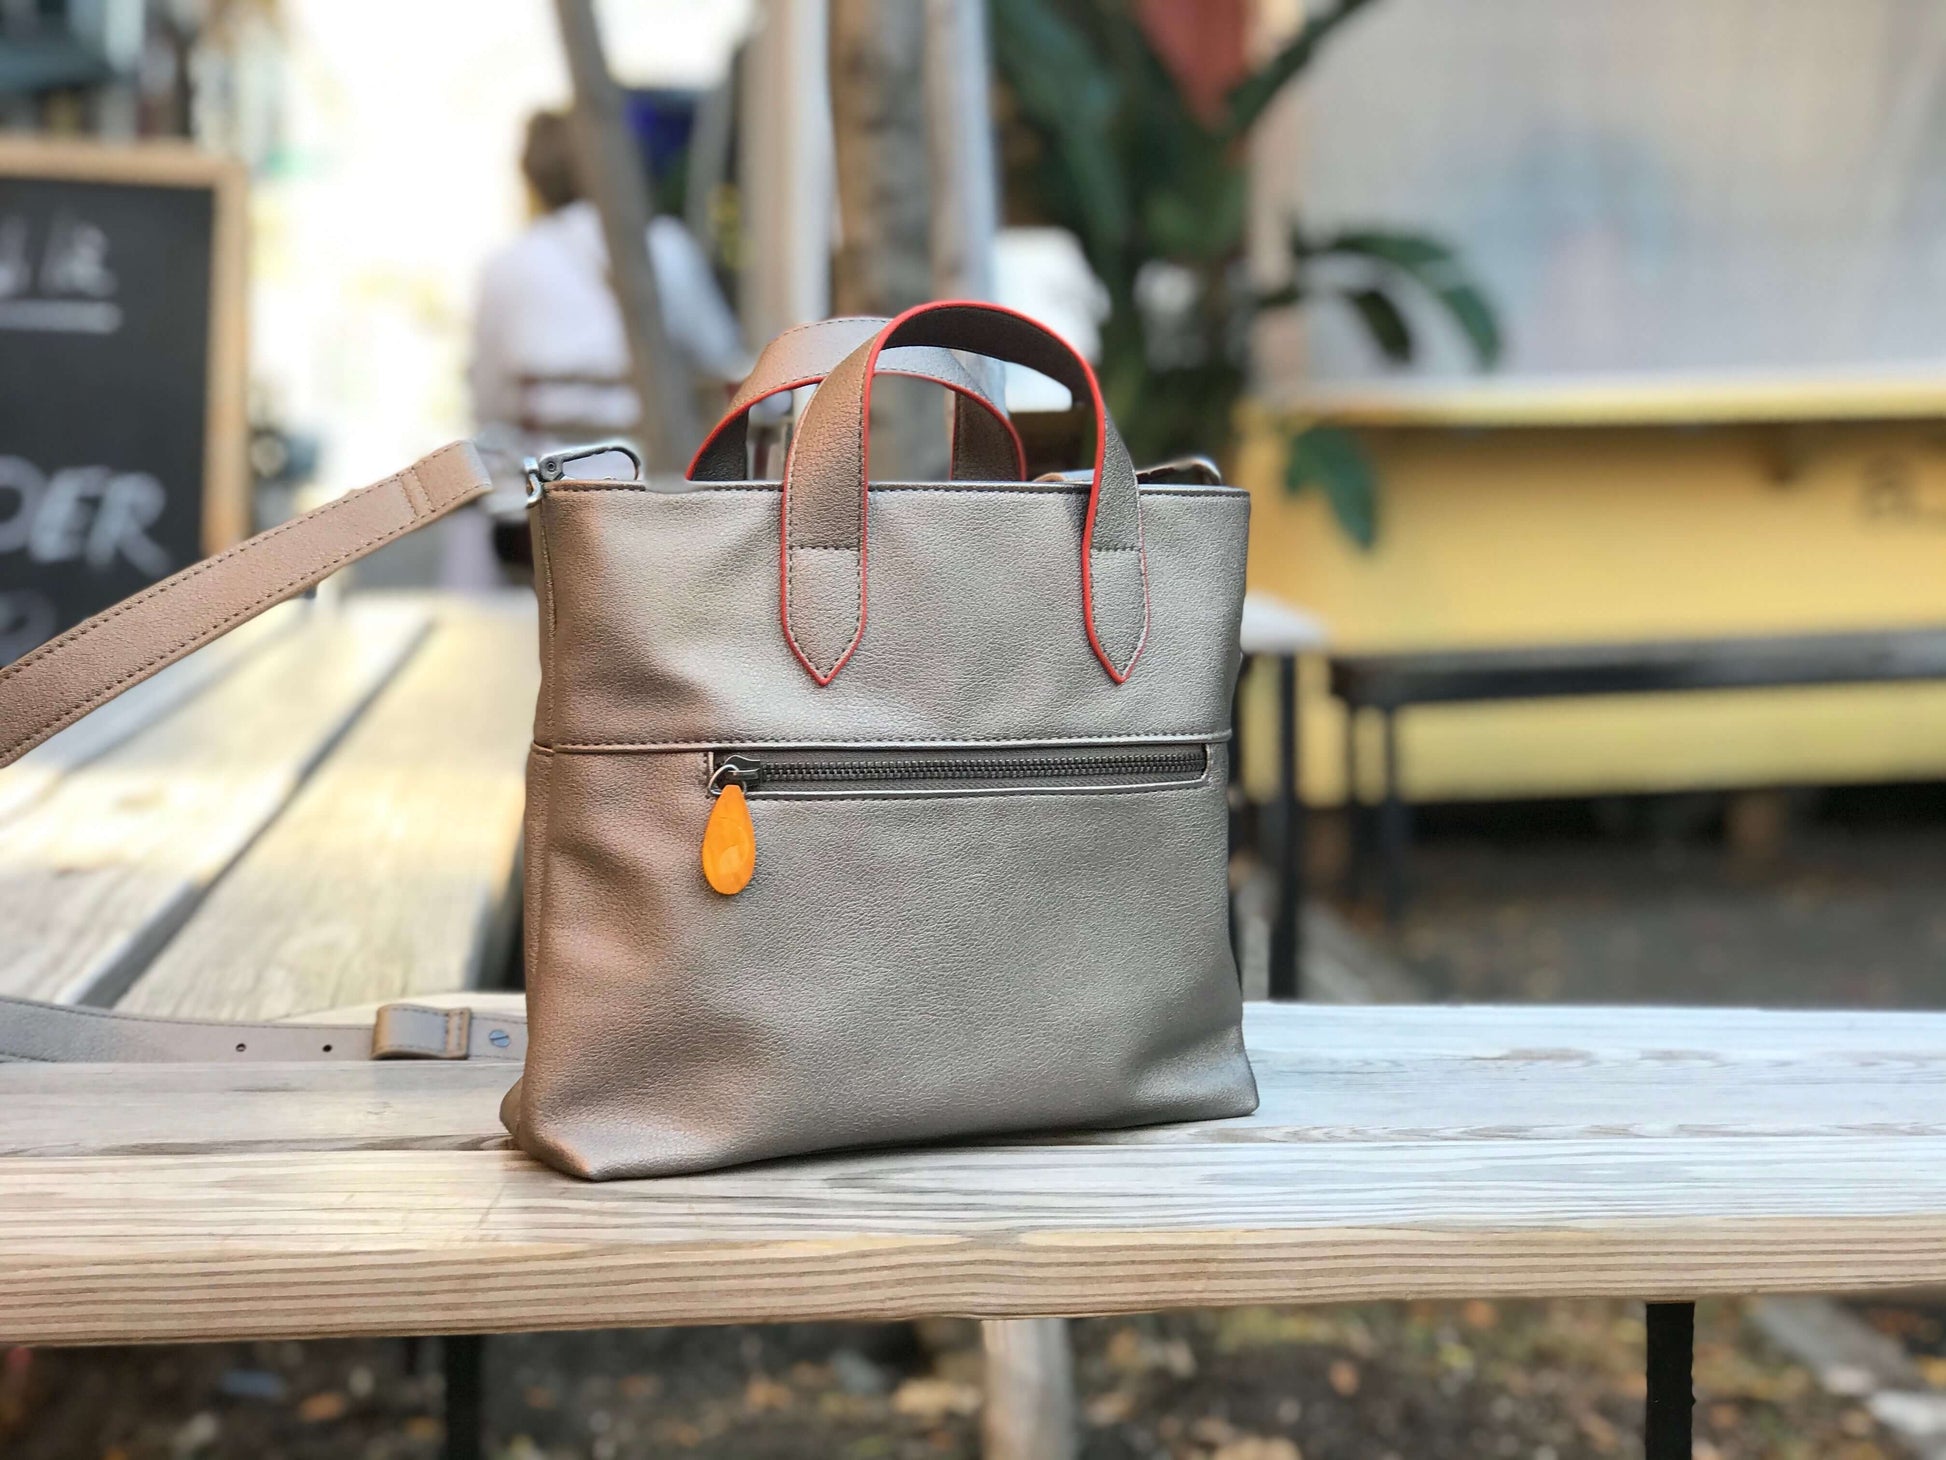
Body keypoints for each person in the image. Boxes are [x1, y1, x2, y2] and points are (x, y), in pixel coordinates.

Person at [469, 111, 747, 474]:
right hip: (650, 474)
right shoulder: (665, 246)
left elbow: (488, 402)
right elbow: (721, 357)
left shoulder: (507, 263)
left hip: (545, 479)